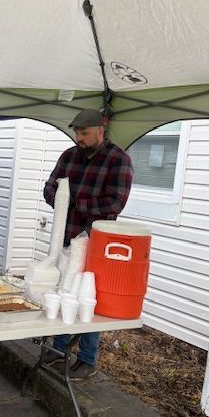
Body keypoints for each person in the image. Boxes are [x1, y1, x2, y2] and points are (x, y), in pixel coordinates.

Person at [43, 108, 133, 379]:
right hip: (65, 236)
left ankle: (87, 358)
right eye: (76, 132)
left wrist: (74, 202)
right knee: (62, 289)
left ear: (100, 131)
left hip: (96, 242)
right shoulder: (68, 156)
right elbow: (49, 187)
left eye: (84, 133)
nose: (79, 138)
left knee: (87, 296)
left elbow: (115, 203)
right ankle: (60, 349)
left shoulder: (118, 160)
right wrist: (57, 197)